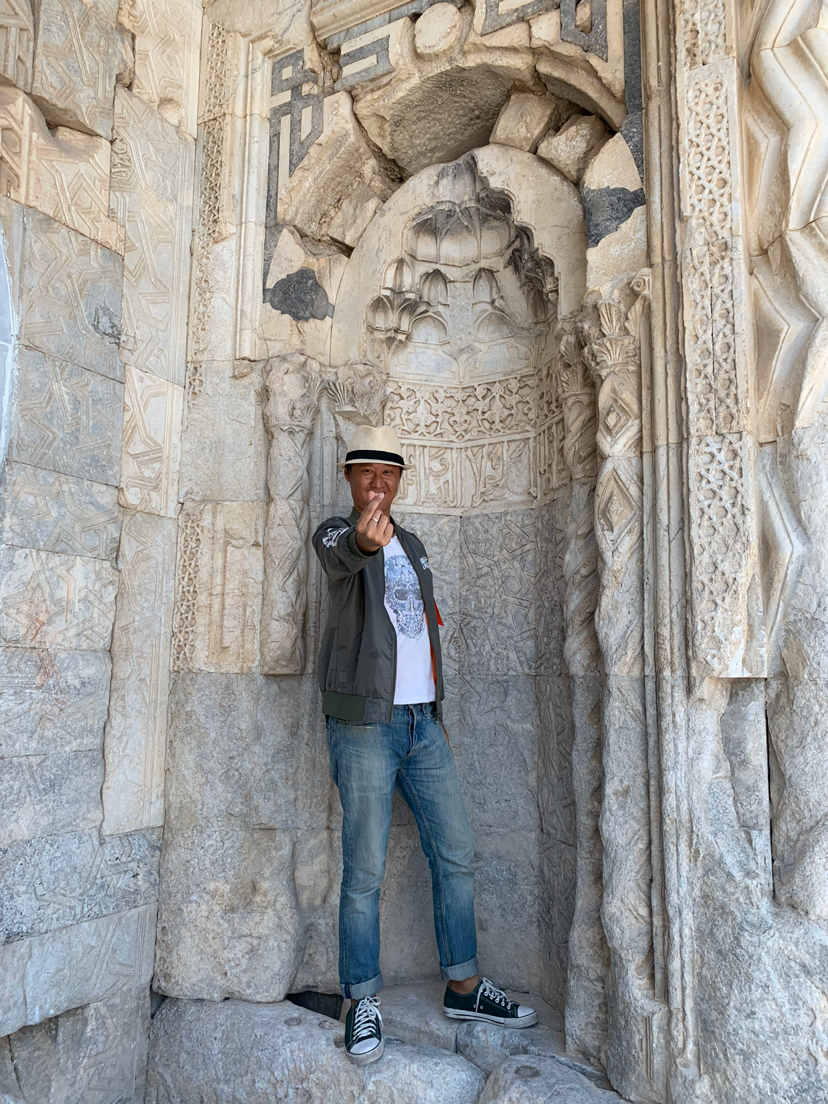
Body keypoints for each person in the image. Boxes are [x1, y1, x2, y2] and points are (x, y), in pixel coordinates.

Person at [312, 424, 537, 1065]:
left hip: (422, 724)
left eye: (388, 473)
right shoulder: (335, 533)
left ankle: (464, 986)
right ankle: (361, 1001)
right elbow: (342, 553)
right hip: (365, 725)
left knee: (456, 851)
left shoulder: (413, 545)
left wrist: (434, 712)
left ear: (399, 481)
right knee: (365, 871)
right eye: (366, 472)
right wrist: (363, 539)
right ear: (349, 479)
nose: (378, 483)